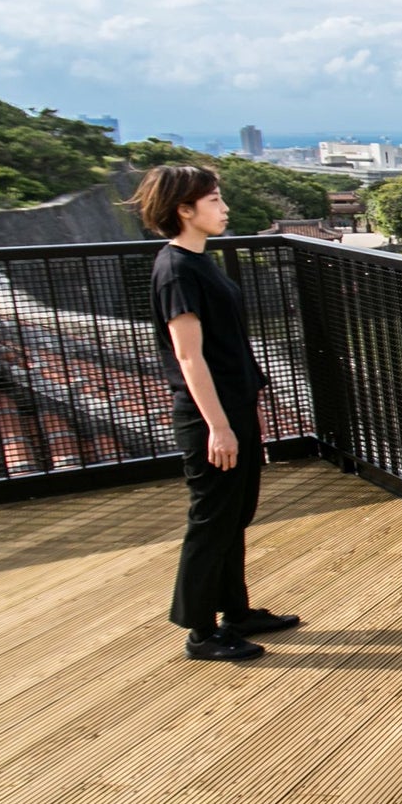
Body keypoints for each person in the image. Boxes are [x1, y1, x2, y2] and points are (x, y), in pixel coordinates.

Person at [131, 164, 300, 661]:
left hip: (233, 407)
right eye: (214, 201)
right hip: (210, 416)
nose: (224, 208)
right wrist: (219, 426)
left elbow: (228, 348)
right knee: (211, 519)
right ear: (183, 210)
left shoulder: (199, 261)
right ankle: (200, 631)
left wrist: (249, 408)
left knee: (235, 513)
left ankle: (237, 611)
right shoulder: (177, 270)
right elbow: (189, 357)